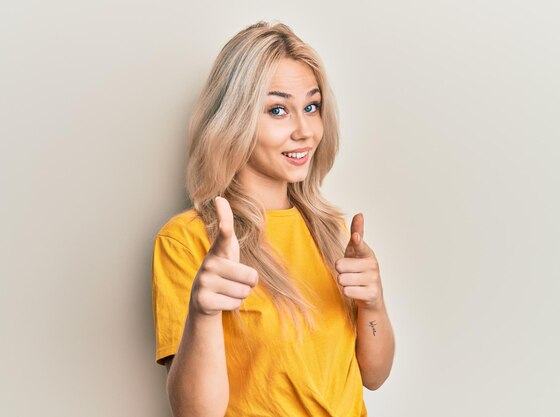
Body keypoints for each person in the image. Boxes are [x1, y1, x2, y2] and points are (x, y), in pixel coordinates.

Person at [151, 21, 395, 417]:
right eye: (278, 109)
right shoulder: (186, 241)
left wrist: (374, 303)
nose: (305, 131)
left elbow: (375, 375)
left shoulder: (331, 232)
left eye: (311, 107)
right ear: (234, 118)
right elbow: (197, 413)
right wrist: (203, 313)